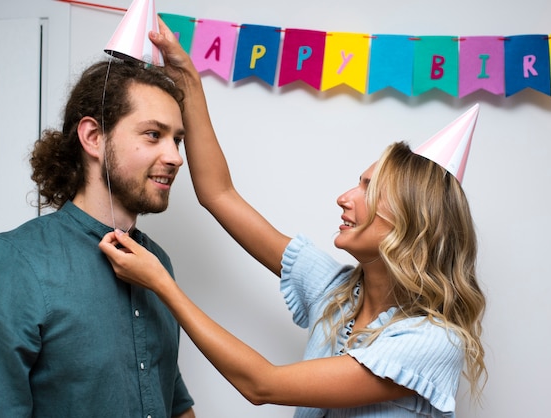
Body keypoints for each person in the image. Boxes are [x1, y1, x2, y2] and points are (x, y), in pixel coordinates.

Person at [100, 20, 487, 418]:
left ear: (412, 221)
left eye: (369, 188)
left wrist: (163, 285)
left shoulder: (432, 341)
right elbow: (219, 194)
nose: (344, 198)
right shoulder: (335, 294)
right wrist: (189, 82)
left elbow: (261, 384)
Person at [0, 58, 195, 418]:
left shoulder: (158, 265)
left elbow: (172, 400)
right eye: (153, 135)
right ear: (93, 137)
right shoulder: (11, 266)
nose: (175, 157)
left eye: (177, 140)